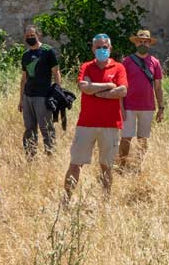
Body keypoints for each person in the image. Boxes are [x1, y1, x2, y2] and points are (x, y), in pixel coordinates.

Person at [64, 33, 127, 200]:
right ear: (93, 48)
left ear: (110, 48)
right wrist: (108, 86)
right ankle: (67, 198)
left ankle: (106, 200)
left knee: (106, 166)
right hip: (86, 124)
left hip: (111, 124)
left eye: (104, 47)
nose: (101, 50)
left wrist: (97, 91)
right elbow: (84, 87)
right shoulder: (86, 66)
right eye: (98, 47)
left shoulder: (119, 68)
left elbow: (122, 91)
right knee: (76, 163)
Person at [119, 30, 164, 171]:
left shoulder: (155, 62)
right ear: (136, 43)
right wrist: (120, 107)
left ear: (149, 44)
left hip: (148, 106)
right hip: (129, 106)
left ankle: (138, 167)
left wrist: (161, 108)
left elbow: (158, 87)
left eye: (145, 41)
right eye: (140, 41)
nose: (143, 43)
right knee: (126, 138)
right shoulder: (127, 61)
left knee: (143, 139)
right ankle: (121, 166)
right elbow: (121, 86)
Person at [19, 24, 62, 158]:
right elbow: (24, 78)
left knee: (46, 128)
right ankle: (30, 157)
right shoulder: (25, 55)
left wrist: (57, 93)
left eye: (32, 35)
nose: (30, 38)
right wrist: (21, 99)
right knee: (29, 128)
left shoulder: (48, 51)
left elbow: (56, 72)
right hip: (28, 97)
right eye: (27, 36)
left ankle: (50, 155)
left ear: (38, 35)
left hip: (43, 96)